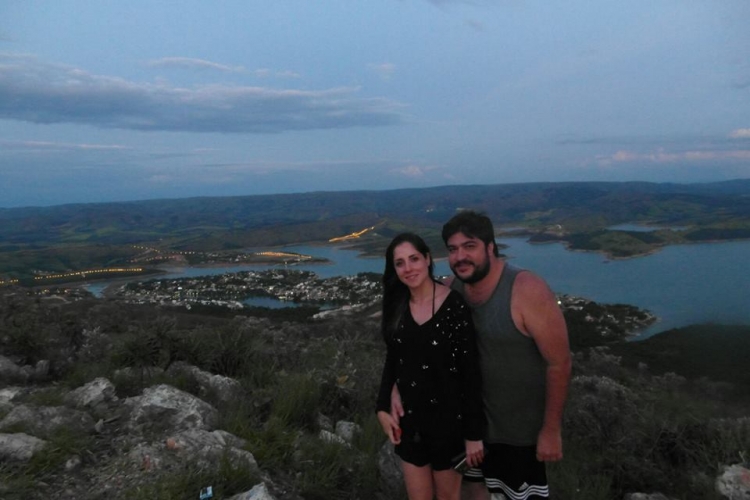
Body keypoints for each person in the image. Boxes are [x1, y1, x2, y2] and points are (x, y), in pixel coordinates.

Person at [392, 212, 572, 500]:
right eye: (453, 249)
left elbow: (559, 362)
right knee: (470, 492)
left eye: (470, 246)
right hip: (467, 430)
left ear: (490, 247)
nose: (460, 256)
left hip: (516, 433)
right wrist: (394, 388)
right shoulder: (451, 290)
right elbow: (416, 347)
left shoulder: (526, 290)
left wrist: (551, 430)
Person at [376, 232, 486, 500]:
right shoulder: (397, 305)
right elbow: (394, 358)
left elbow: (470, 373)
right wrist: (382, 405)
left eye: (414, 259)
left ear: (427, 259)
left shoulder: (453, 306)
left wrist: (473, 435)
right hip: (410, 423)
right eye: (400, 263)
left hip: (449, 426)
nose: (408, 268)